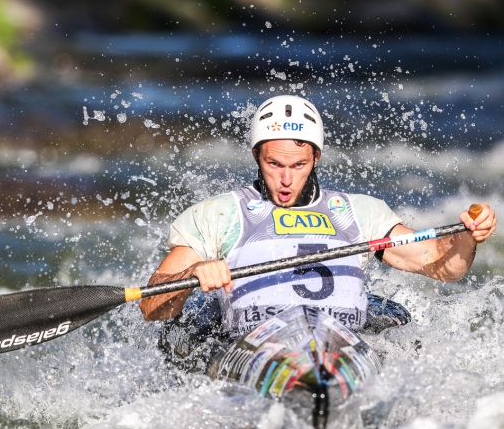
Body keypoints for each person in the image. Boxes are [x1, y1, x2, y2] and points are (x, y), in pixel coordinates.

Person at [139, 95, 497, 338]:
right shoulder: (218, 215)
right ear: (256, 156)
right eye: (273, 164)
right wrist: (192, 273)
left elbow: (443, 267)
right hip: (256, 346)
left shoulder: (360, 212)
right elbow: (152, 308)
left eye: (299, 165)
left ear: (317, 158)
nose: (286, 179)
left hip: (338, 344)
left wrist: (468, 235)